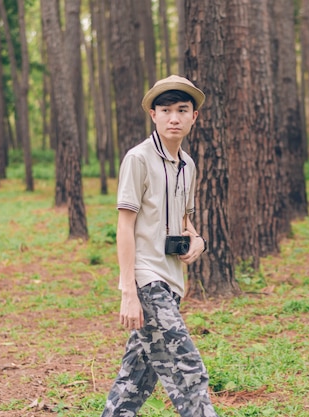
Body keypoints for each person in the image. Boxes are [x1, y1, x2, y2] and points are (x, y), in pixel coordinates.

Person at [102, 75, 218, 417]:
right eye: (165, 110)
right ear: (153, 114)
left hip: (173, 283)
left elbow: (186, 221)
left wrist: (197, 241)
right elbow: (125, 225)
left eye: (182, 110)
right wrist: (129, 290)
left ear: (193, 116)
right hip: (147, 279)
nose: (174, 118)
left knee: (134, 380)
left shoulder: (188, 165)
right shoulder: (137, 159)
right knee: (188, 371)